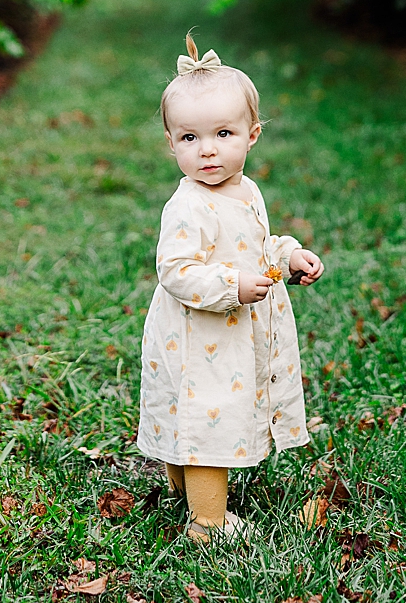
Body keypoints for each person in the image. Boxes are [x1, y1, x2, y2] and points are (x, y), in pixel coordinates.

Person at [136, 34, 324, 540]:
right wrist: (230, 284)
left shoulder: (246, 189)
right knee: (205, 417)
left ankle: (183, 488)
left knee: (192, 411)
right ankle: (207, 521)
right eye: (190, 138)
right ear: (172, 144)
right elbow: (174, 269)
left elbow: (258, 244)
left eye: (223, 133)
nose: (209, 150)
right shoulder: (188, 204)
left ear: (252, 134)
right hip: (201, 332)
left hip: (233, 332)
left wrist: (288, 256)